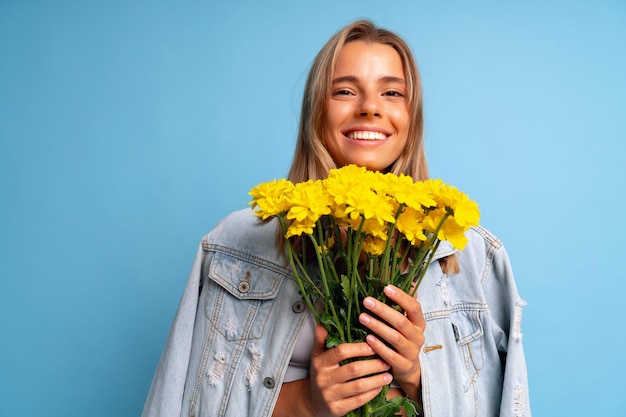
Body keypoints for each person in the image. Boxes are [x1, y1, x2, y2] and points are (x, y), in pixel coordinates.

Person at [141, 20, 531, 417]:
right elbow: (182, 399)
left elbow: (506, 403)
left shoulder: (476, 257)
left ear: (411, 117)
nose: (369, 107)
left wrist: (416, 377)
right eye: (345, 91)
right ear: (316, 112)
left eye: (392, 92)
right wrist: (308, 402)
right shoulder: (234, 245)